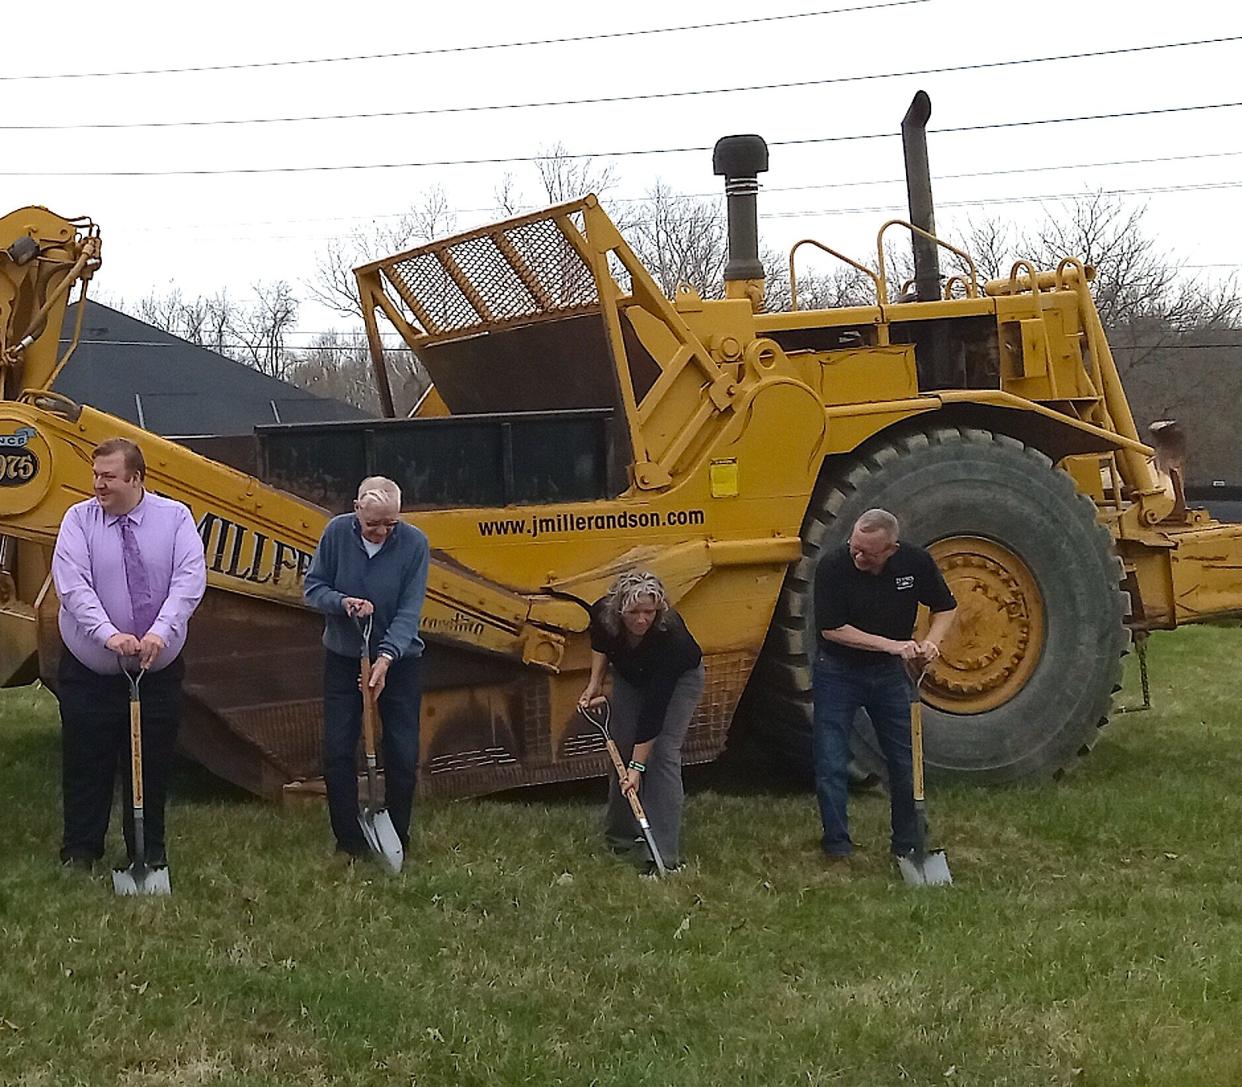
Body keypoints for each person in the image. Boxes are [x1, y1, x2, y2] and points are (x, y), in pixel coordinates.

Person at [52, 437, 207, 870]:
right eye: (95, 476)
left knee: (150, 763)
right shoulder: (78, 521)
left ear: (136, 478)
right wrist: (107, 634)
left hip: (156, 670)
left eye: (109, 477)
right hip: (91, 669)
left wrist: (161, 632)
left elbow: (189, 580)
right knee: (87, 760)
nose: (98, 485)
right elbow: (72, 585)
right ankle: (81, 850)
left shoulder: (175, 519)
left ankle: (146, 850)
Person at [812, 508, 957, 862]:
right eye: (854, 546)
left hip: (890, 678)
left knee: (905, 761)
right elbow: (832, 629)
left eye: (867, 552)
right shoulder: (833, 566)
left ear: (890, 549)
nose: (857, 555)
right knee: (831, 760)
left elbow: (946, 606)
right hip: (837, 672)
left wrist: (931, 642)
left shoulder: (914, 563)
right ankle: (837, 845)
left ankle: (907, 842)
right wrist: (894, 646)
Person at [304, 476, 429, 862]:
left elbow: (410, 610)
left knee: (403, 752)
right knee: (339, 749)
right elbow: (313, 588)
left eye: (390, 523)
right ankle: (349, 842)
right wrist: (344, 603)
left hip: (400, 662)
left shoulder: (414, 544)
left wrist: (386, 658)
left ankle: (396, 835)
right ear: (356, 509)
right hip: (344, 657)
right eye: (373, 523)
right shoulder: (336, 533)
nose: (381, 531)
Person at [578, 570, 705, 872]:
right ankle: (621, 836)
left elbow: (654, 713)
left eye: (649, 612)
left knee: (660, 755)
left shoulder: (671, 638)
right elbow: (600, 643)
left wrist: (637, 768)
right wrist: (595, 683)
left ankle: (662, 855)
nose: (641, 620)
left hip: (677, 681)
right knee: (621, 749)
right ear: (619, 609)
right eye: (633, 612)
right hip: (631, 676)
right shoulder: (603, 613)